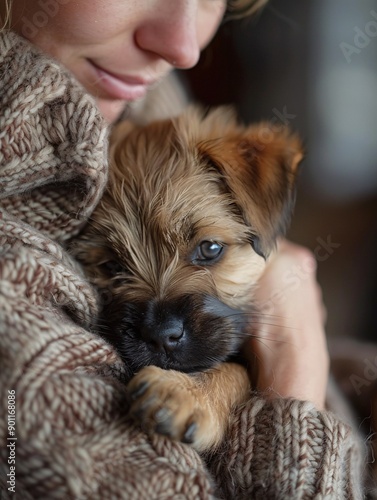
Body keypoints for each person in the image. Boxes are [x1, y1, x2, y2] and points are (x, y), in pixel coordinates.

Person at [0, 1, 366, 498]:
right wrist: (296, 366)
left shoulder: (138, 119)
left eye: (208, 250)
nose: (184, 45)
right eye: (112, 266)